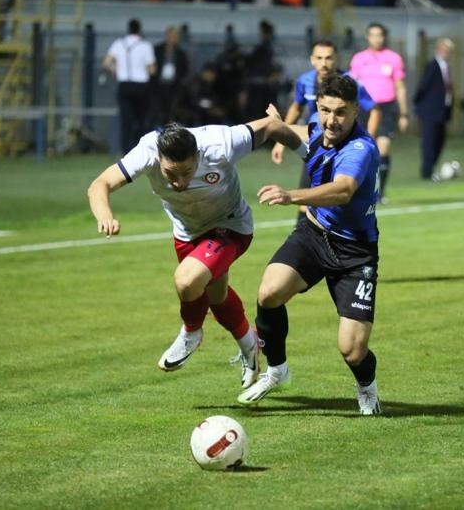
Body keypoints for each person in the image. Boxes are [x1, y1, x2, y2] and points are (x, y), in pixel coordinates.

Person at [86, 115, 308, 389]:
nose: (179, 182)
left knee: (187, 280)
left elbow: (272, 126)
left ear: (198, 155)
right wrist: (105, 215)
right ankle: (249, 346)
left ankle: (191, 332)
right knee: (217, 296)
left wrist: (309, 156)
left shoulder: (220, 143)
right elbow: (100, 184)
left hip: (230, 226)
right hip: (187, 234)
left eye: (187, 172)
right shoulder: (146, 151)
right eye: (170, 174)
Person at [238, 74, 383, 415]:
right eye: (325, 110)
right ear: (317, 107)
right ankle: (277, 370)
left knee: (352, 350)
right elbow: (293, 134)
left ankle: (367, 387)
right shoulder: (319, 128)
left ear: (356, 113)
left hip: (355, 252)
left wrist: (292, 195)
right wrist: (268, 128)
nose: (332, 120)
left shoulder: (361, 150)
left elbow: (343, 190)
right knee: (268, 293)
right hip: (313, 235)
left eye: (341, 112)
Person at [272, 40, 380, 220]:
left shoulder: (350, 85)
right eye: (319, 58)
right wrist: (280, 141)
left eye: (329, 58)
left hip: (343, 150)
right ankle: (305, 240)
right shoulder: (304, 81)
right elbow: (296, 107)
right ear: (312, 59)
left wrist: (369, 141)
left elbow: (374, 110)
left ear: (336, 59)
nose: (324, 63)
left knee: (341, 195)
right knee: (304, 203)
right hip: (316, 146)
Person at [349, 22, 409, 200]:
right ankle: (358, 188)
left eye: (380, 35)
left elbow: (400, 87)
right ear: (368, 37)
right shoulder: (359, 59)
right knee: (361, 149)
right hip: (363, 108)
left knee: (383, 147)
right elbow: (351, 85)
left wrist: (404, 114)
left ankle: (379, 192)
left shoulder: (393, 58)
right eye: (373, 35)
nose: (377, 38)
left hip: (386, 107)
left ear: (385, 37)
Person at [103, 19, 155, 153]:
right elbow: (151, 70)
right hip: (141, 86)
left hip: (124, 85)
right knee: (142, 120)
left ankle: (126, 151)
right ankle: (143, 150)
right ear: (139, 29)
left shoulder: (119, 43)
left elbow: (106, 62)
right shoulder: (145, 45)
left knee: (126, 121)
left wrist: (115, 68)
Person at [413, 38, 455, 180]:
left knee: (439, 141)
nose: (448, 53)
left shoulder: (447, 67)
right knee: (429, 142)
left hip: (442, 111)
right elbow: (423, 86)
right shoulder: (432, 66)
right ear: (439, 49)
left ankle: (431, 168)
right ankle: (427, 172)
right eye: (445, 50)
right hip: (430, 111)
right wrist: (418, 105)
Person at [152, 25, 189, 125]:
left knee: (171, 113)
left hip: (173, 87)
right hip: (158, 86)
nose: (173, 38)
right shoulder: (157, 50)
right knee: (156, 112)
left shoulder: (181, 54)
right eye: (171, 35)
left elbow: (184, 70)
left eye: (175, 36)